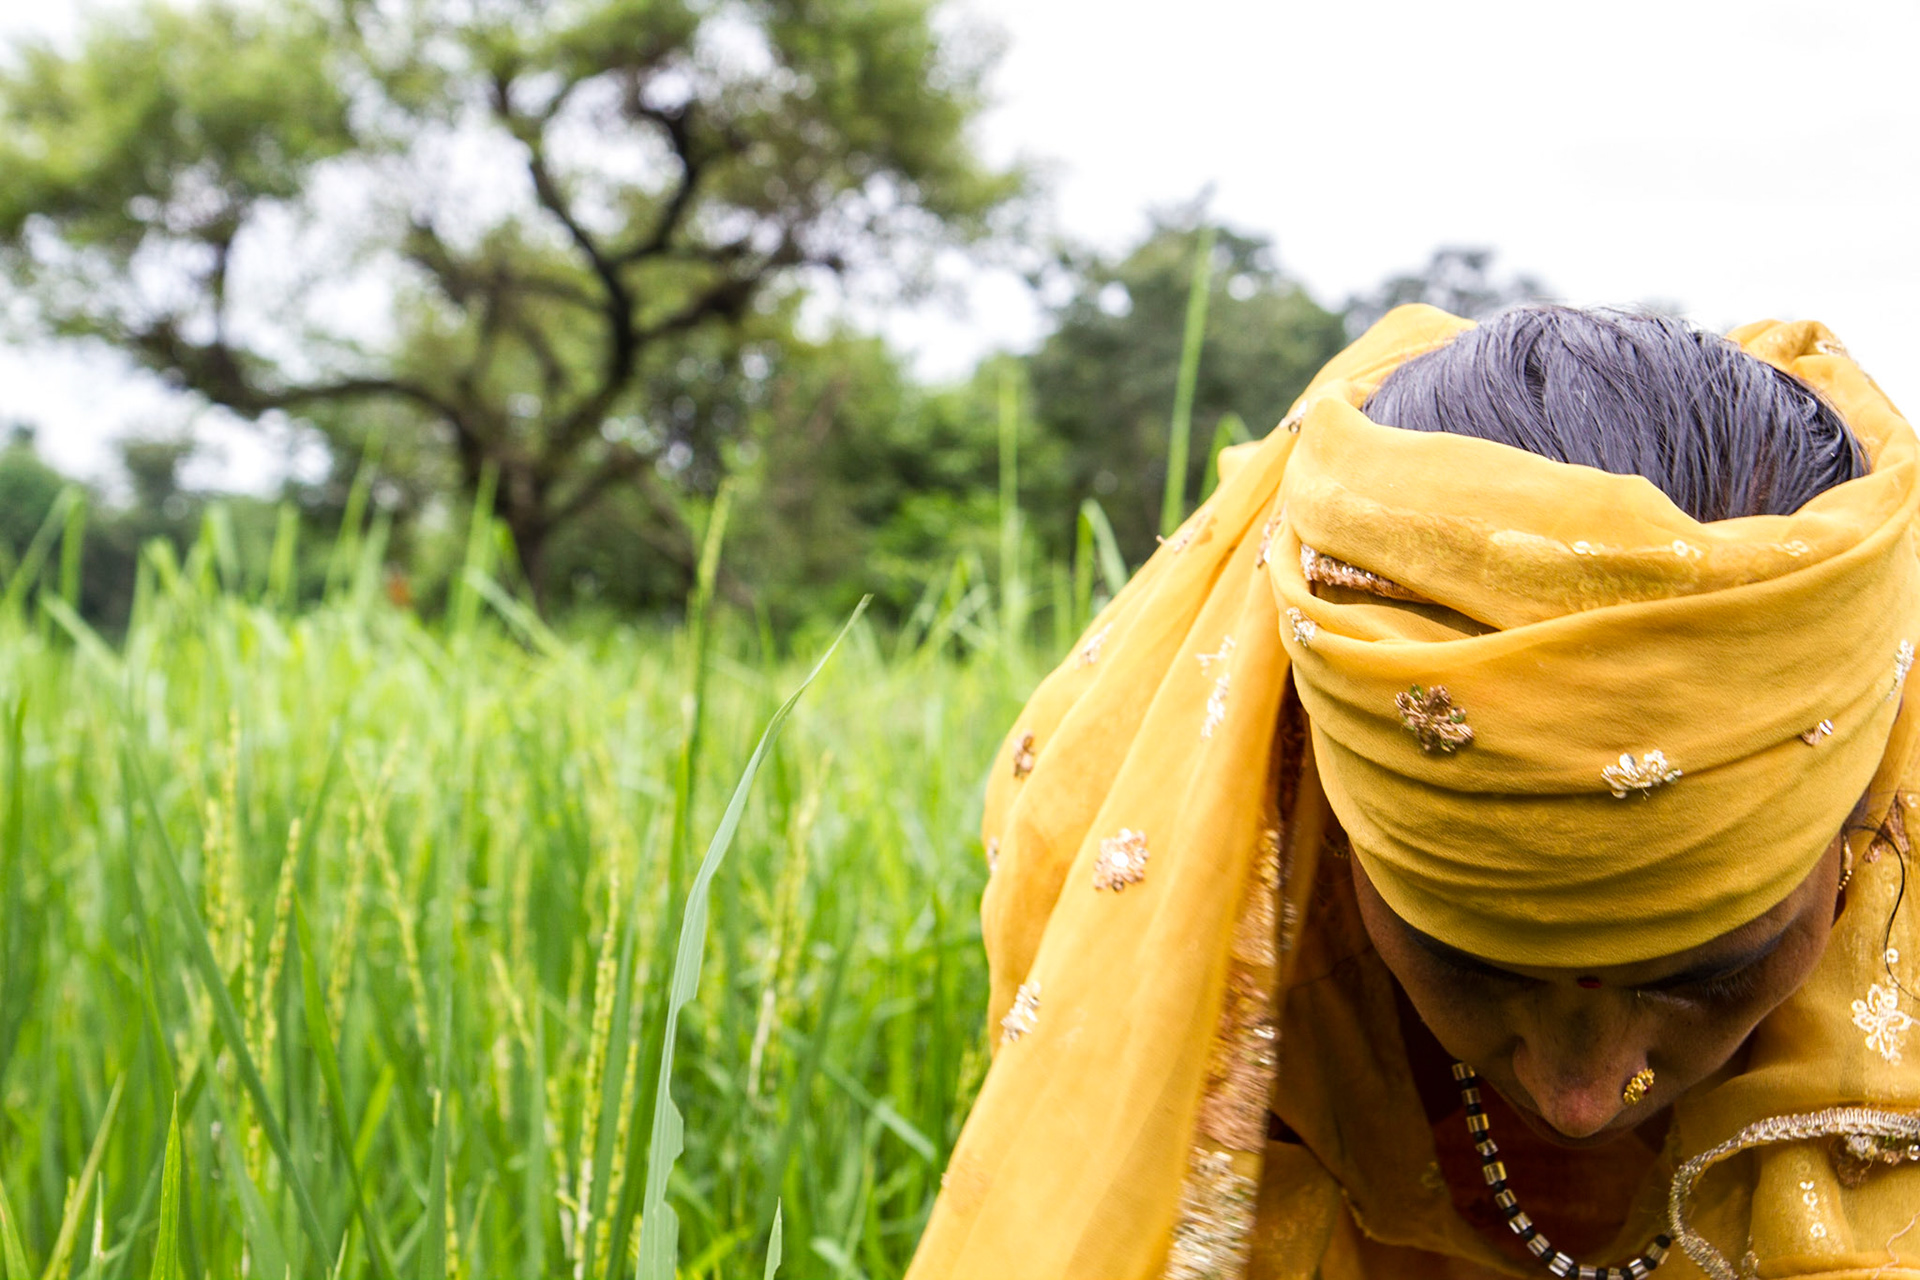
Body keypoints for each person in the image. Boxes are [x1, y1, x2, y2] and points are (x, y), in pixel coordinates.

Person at [906, 305, 1920, 1280]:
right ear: (1325, 797)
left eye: (1711, 969)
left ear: (1863, 821)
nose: (1581, 1095)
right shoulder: (1201, 910)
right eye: (1469, 958)